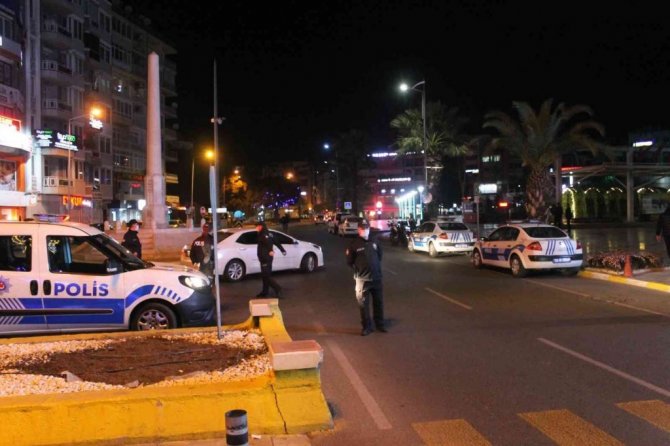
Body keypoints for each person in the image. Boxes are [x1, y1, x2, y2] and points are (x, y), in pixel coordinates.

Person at [345, 220, 386, 336]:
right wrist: (359, 270)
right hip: (363, 280)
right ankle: (367, 327)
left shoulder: (375, 241)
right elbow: (350, 261)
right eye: (363, 228)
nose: (365, 230)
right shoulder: (354, 244)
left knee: (378, 302)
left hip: (376, 278)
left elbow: (379, 256)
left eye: (367, 228)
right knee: (363, 305)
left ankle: (380, 324)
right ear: (359, 230)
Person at [256, 221, 286, 297]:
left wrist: (270, 250)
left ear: (261, 226)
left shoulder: (263, 235)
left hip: (265, 258)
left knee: (266, 276)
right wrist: (282, 250)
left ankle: (278, 289)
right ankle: (265, 292)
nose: (256, 228)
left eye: (257, 226)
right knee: (266, 275)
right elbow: (276, 242)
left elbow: (268, 242)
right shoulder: (269, 234)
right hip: (267, 258)